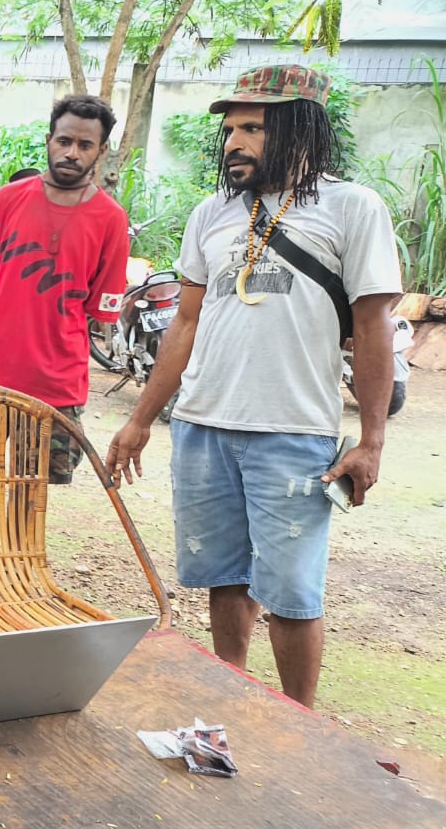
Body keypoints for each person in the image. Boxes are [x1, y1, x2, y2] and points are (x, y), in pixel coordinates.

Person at [106, 64, 403, 709]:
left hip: (293, 432)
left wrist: (372, 440)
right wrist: (140, 419)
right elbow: (185, 323)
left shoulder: (352, 208)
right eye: (231, 129)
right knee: (224, 577)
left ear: (302, 130)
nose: (234, 142)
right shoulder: (211, 214)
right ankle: (231, 702)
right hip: (203, 427)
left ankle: (301, 724)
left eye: (253, 128)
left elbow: (373, 326)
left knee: (292, 594)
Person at [0, 96, 130, 484]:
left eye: (85, 145)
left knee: (30, 496)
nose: (72, 153)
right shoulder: (6, 200)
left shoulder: (111, 220)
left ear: (101, 150)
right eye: (64, 141)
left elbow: (96, 311)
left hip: (57, 385)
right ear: (49, 139)